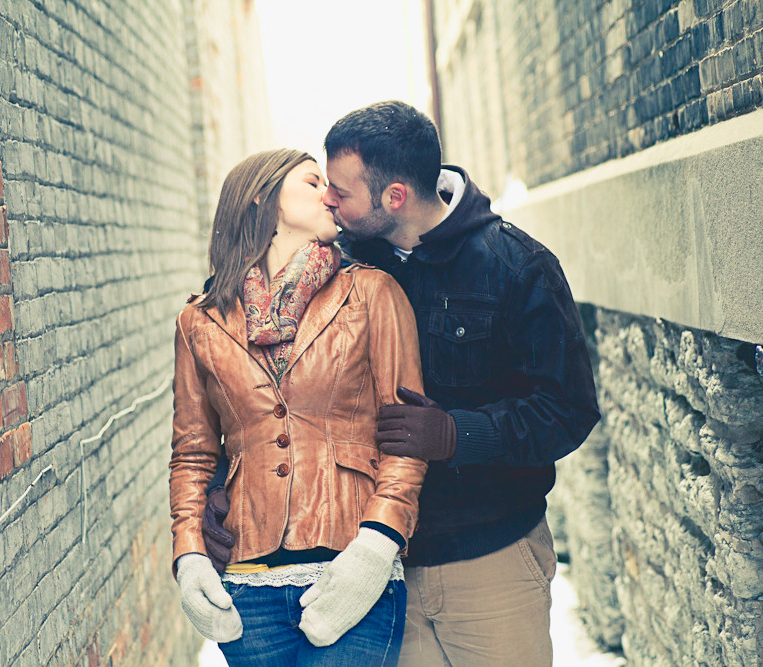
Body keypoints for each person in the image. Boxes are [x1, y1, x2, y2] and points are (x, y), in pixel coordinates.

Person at [202, 102, 601, 666]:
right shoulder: (331, 269)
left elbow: (569, 409)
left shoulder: (515, 267)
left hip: (490, 560)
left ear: (393, 197)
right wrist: (224, 484)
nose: (328, 200)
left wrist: (457, 435)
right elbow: (244, 380)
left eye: (339, 190)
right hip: (372, 574)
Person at [169, 147, 428, 666]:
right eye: (313, 183)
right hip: (248, 589)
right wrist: (190, 556)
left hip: (352, 573)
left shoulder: (373, 294)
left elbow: (406, 439)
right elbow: (193, 455)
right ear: (265, 198)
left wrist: (377, 547)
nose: (330, 195)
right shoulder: (199, 322)